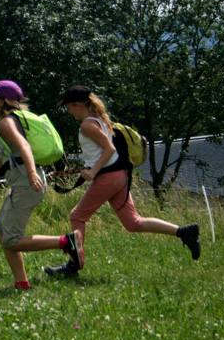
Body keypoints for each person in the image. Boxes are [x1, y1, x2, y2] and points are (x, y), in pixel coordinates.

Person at [45, 85, 201, 277]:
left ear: (78, 104)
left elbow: (109, 149)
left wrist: (93, 171)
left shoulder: (87, 125)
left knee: (77, 216)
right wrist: (86, 168)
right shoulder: (101, 120)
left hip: (108, 177)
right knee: (133, 223)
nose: (68, 111)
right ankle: (184, 232)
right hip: (120, 176)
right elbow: (103, 153)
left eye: (69, 107)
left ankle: (73, 266)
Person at [0, 79, 83, 290]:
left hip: (28, 184)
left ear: (2, 101)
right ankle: (22, 283)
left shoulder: (6, 122)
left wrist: (32, 173)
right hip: (24, 183)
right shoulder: (7, 123)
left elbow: (24, 146)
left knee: (11, 240)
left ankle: (65, 241)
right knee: (1, 230)